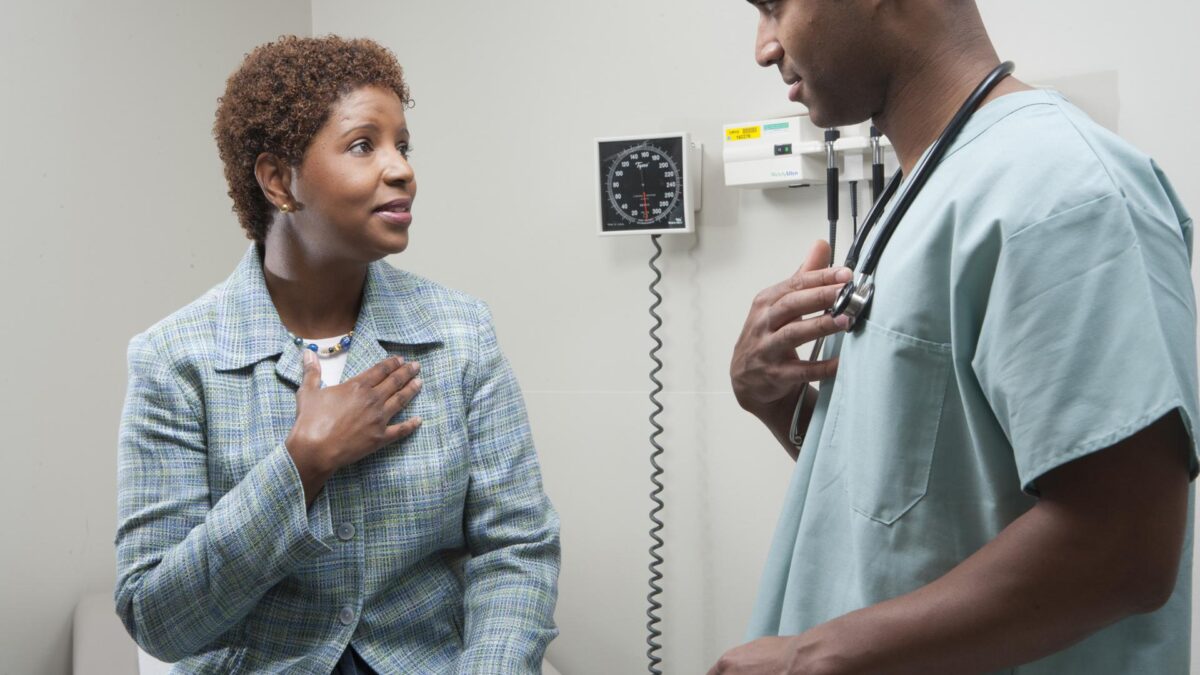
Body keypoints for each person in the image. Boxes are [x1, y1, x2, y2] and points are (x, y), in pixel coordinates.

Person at [712, 1, 1198, 673]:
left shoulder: (1066, 192)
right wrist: (769, 397)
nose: (765, 48)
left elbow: (1123, 548)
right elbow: (921, 503)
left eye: (774, 6)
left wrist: (810, 655)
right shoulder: (925, 186)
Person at [114, 35, 559, 674]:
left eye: (402, 145)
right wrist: (301, 464)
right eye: (362, 145)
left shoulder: (462, 332)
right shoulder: (174, 360)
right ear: (278, 180)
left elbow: (517, 550)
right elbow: (159, 621)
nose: (401, 167)